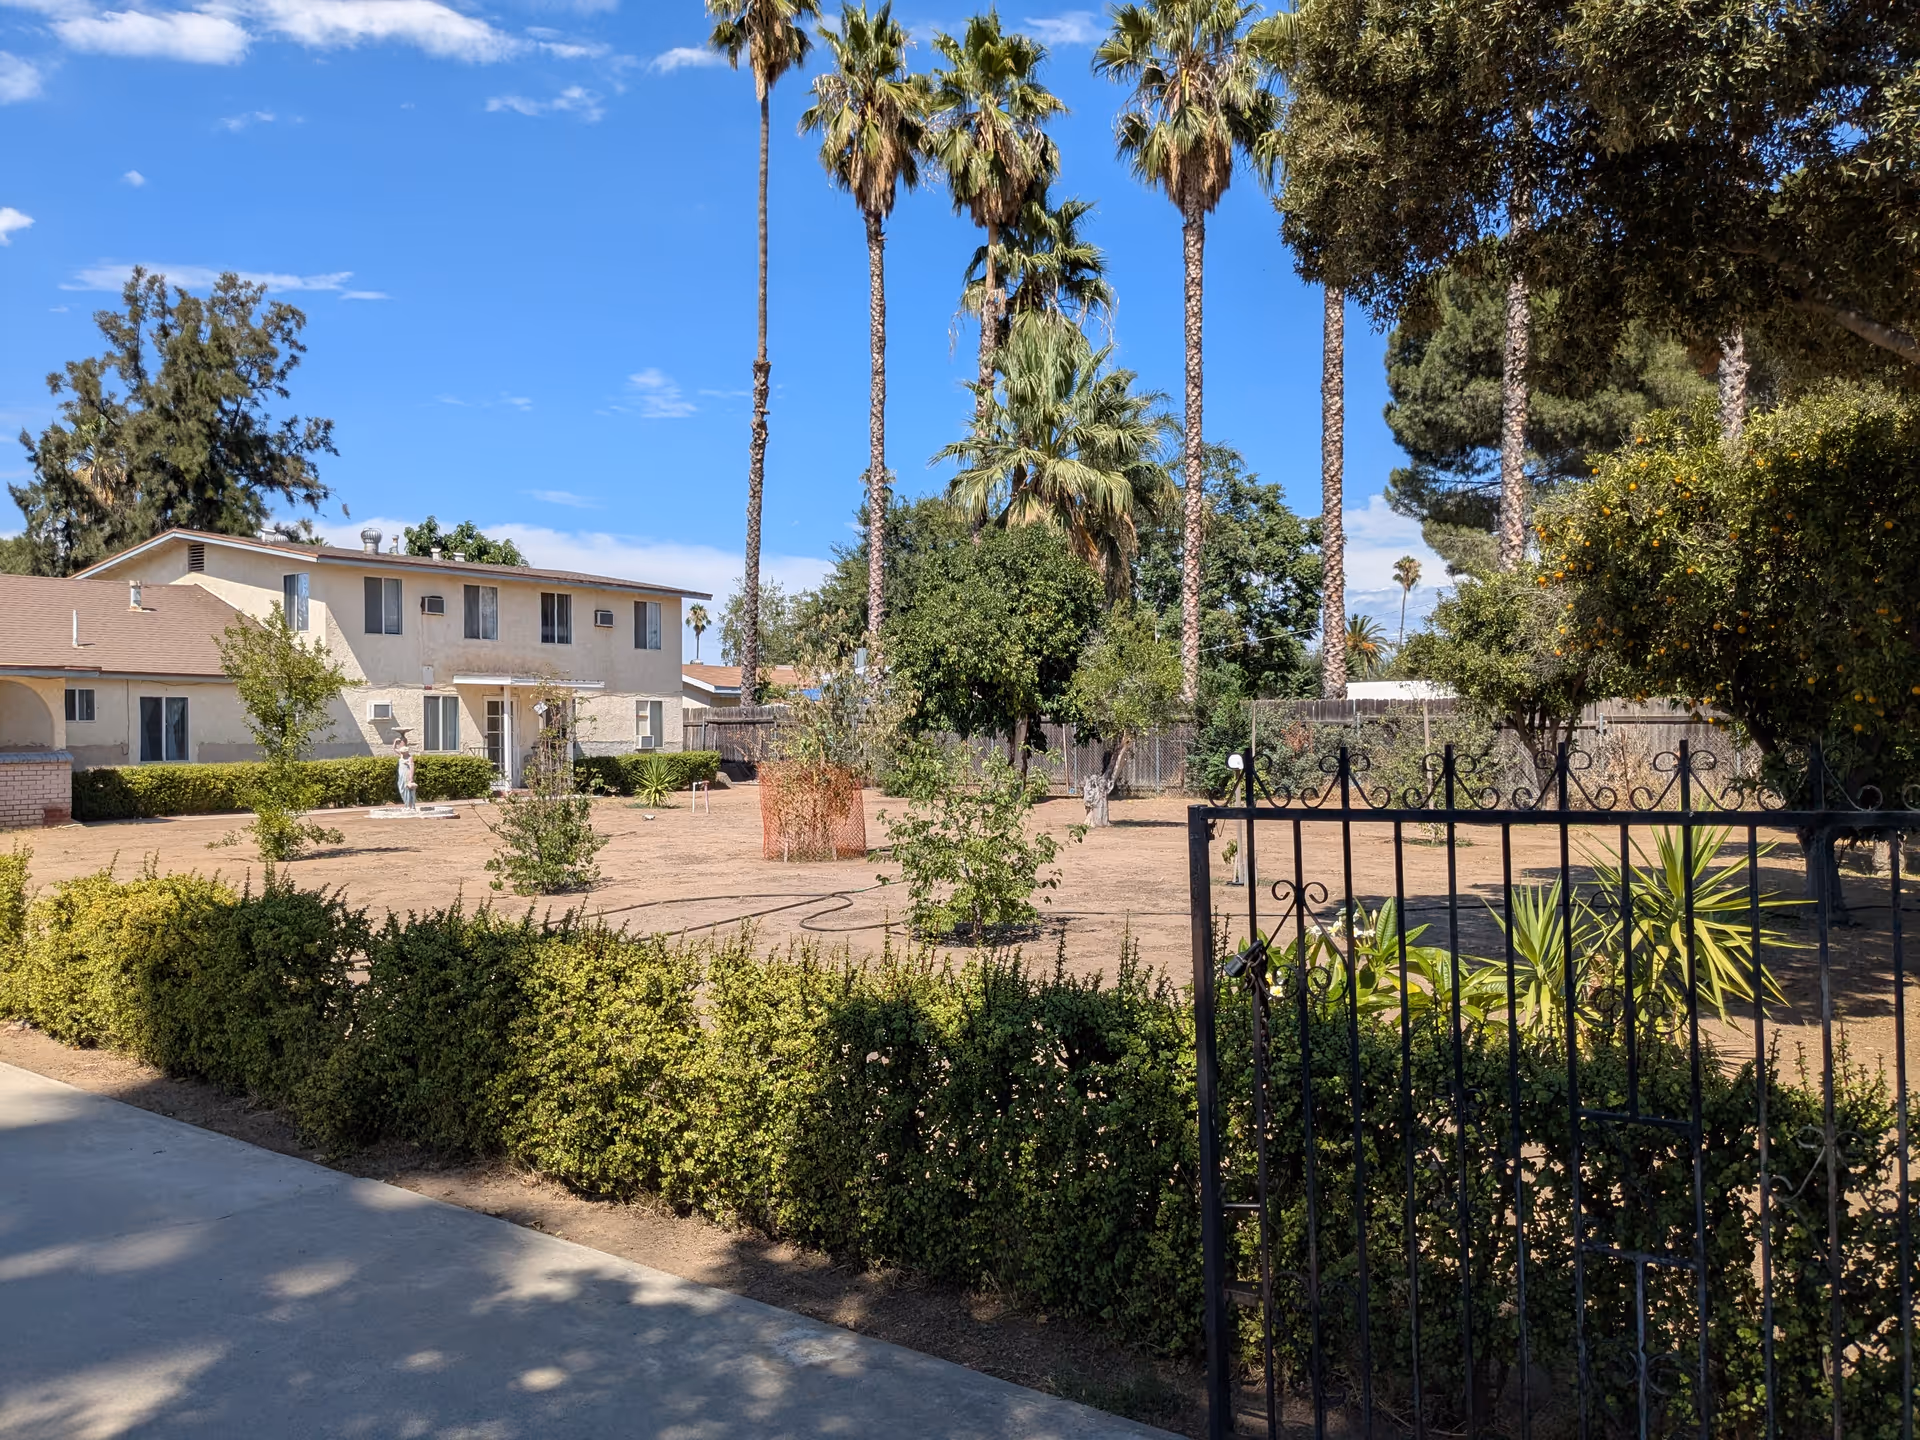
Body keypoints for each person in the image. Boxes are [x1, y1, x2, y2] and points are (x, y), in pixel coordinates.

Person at [397, 746, 417, 811]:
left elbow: (412, 767)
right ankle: (406, 804)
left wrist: (411, 777)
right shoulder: (401, 756)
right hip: (401, 775)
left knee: (407, 790)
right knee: (401, 789)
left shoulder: (410, 758)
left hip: (406, 775)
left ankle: (410, 805)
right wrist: (395, 743)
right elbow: (394, 749)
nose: (401, 753)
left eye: (403, 752)